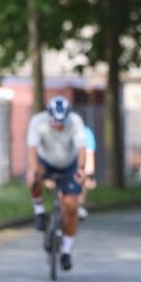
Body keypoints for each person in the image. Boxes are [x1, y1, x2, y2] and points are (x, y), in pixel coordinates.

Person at [27, 96, 88, 270]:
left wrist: (81, 169)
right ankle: (39, 211)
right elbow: (32, 151)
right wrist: (35, 172)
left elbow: (81, 149)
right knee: (32, 177)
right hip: (45, 162)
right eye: (56, 123)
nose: (59, 126)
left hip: (68, 164)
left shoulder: (75, 121)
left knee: (71, 205)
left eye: (62, 123)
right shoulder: (37, 122)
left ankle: (67, 251)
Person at [77, 125, 97, 220]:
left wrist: (89, 175)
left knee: (83, 176)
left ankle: (79, 205)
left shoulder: (86, 132)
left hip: (79, 162)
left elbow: (89, 155)